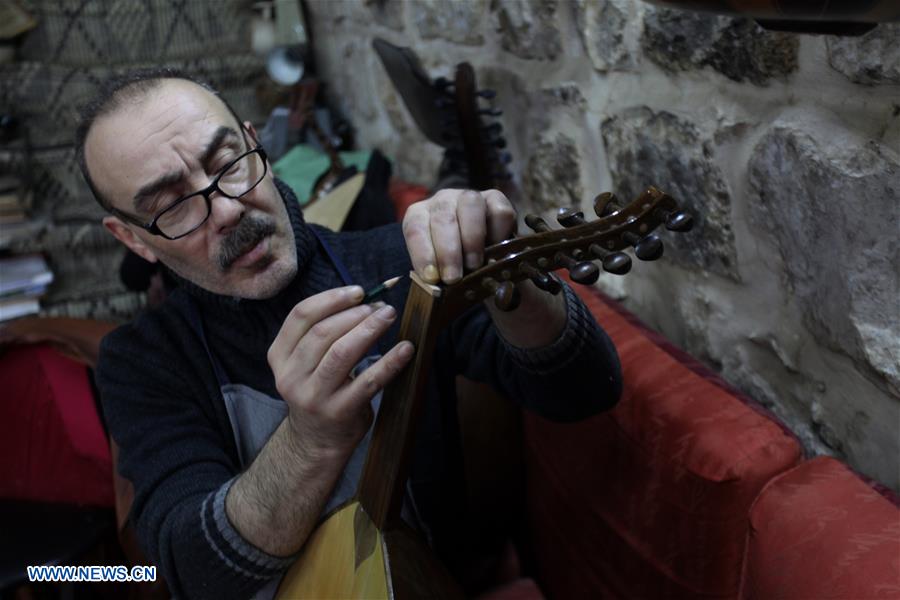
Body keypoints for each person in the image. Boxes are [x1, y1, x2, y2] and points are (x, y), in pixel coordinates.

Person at [77, 68, 622, 599]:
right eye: (172, 206)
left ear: (255, 143)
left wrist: (512, 279)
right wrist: (309, 440)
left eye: (228, 163)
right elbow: (194, 573)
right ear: (133, 239)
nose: (226, 209)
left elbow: (586, 389)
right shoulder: (141, 361)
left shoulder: (401, 262)